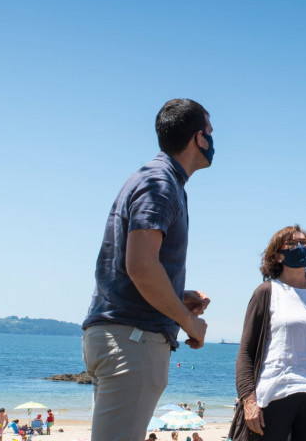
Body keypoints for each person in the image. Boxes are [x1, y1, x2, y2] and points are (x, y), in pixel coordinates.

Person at [82, 99, 214, 441]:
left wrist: (174, 295)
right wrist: (190, 324)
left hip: (122, 334)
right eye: (211, 133)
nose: (213, 142)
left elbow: (137, 266)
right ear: (198, 138)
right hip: (133, 340)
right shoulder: (160, 183)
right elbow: (141, 266)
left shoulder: (158, 180)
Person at [229, 226, 306, 441]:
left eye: (305, 243)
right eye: (292, 244)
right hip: (276, 393)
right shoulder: (266, 292)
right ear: (278, 255)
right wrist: (249, 400)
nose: (300, 247)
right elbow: (246, 351)